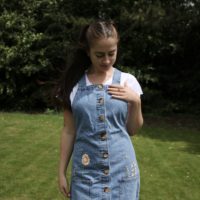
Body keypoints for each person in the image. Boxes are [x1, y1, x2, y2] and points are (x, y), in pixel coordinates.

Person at [58, 20, 143, 200]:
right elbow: (68, 131)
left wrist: (136, 102)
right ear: (88, 52)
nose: (106, 60)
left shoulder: (128, 81)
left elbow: (133, 130)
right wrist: (61, 172)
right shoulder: (73, 86)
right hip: (86, 176)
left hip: (123, 173)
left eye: (111, 53)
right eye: (99, 55)